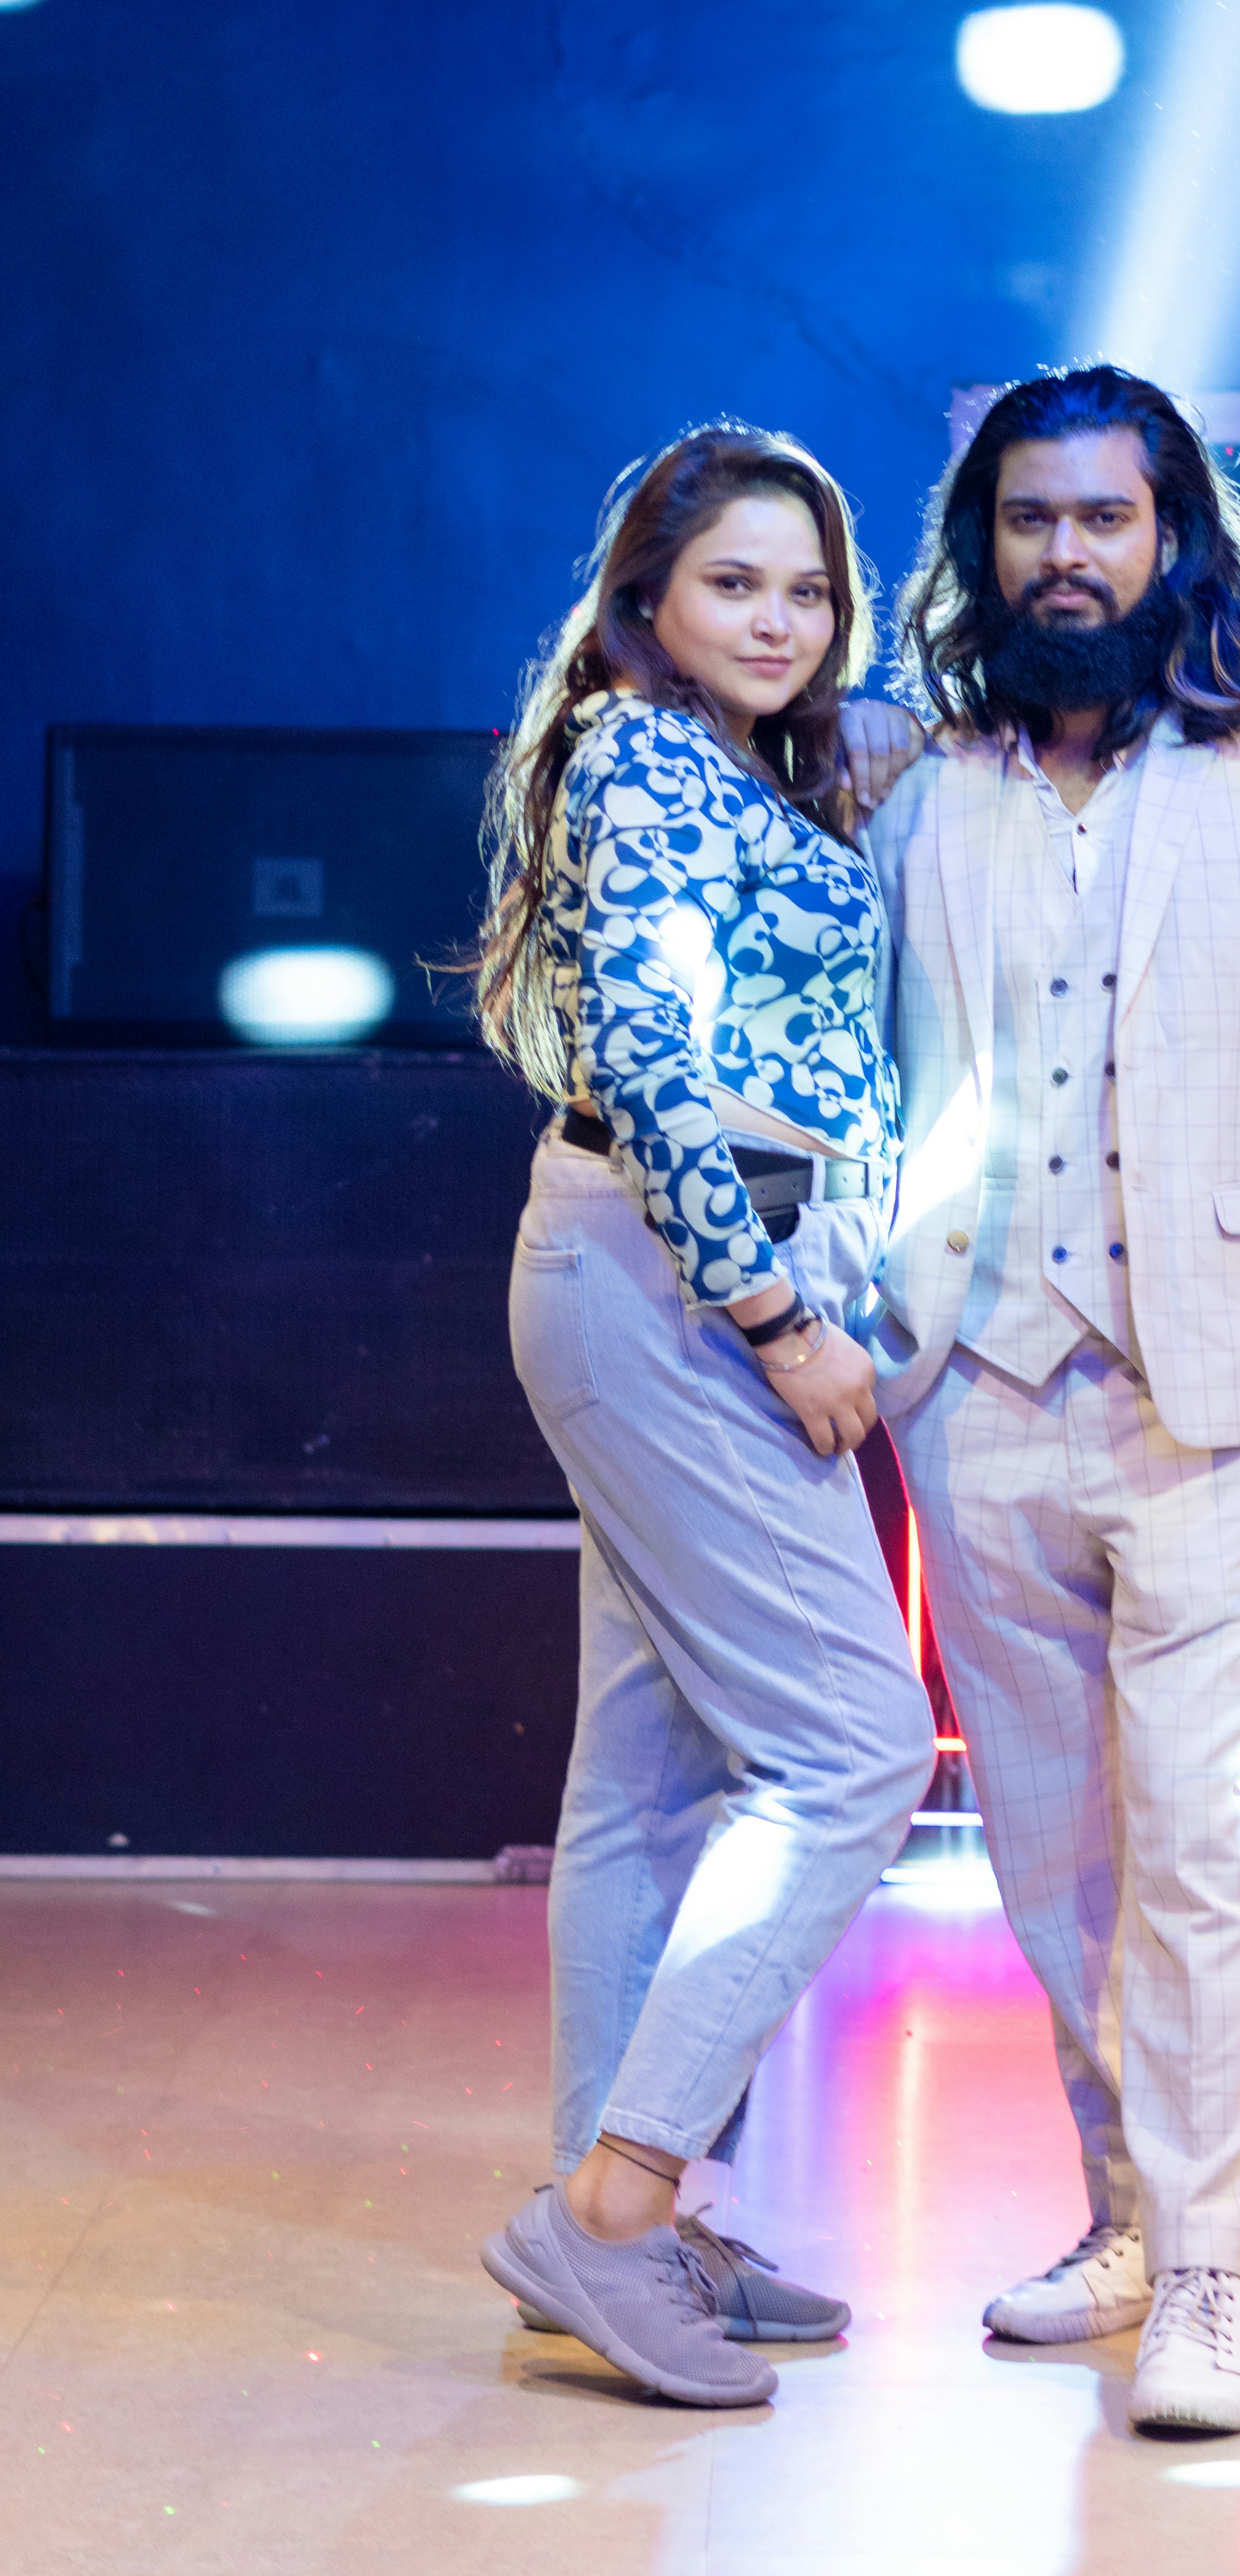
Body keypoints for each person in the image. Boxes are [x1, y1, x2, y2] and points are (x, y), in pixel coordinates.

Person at [865, 366, 1240, 2437]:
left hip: (1209, 1386)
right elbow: (898, 1091)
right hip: (981, 1383)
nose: (1066, 555)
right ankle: (1119, 2211)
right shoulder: (936, 783)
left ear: (1171, 534)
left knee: (1193, 1844)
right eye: (1029, 522)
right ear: (986, 548)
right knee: (1050, 1858)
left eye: (1102, 518)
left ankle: (1208, 2275)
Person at [475, 425, 936, 2409]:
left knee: (649, 1787)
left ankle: (624, 2229)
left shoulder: (749, 759)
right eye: (731, 582)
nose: (774, 618)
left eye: (805, 589)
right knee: (851, 1749)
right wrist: (775, 1318)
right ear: (647, 597)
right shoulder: (644, 755)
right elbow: (657, 1061)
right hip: (683, 1284)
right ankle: (611, 2203)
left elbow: (927, 715)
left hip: (646, 1277)